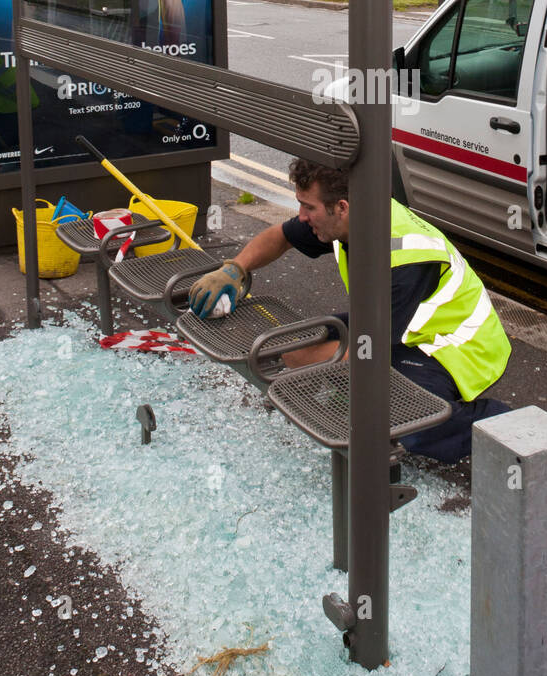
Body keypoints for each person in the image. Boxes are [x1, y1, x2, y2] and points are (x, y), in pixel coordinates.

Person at [188, 159, 512, 462]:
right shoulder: (340, 219)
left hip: (451, 345)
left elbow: (365, 353)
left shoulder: (406, 261)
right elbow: (281, 236)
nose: (301, 215)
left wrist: (326, 373)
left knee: (411, 423)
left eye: (307, 206)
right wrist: (234, 269)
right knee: (294, 351)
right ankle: (363, 403)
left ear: (341, 208)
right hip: (395, 325)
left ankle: (505, 426)